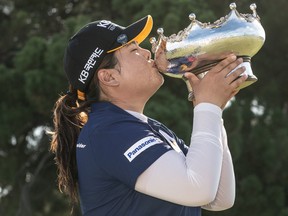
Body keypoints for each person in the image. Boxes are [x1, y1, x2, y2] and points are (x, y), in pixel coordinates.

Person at [50, 14, 247, 216]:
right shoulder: (109, 132)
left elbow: (219, 197)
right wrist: (208, 105)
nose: (146, 52)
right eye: (134, 49)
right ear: (109, 77)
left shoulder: (142, 128)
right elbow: (199, 190)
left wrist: (214, 109)